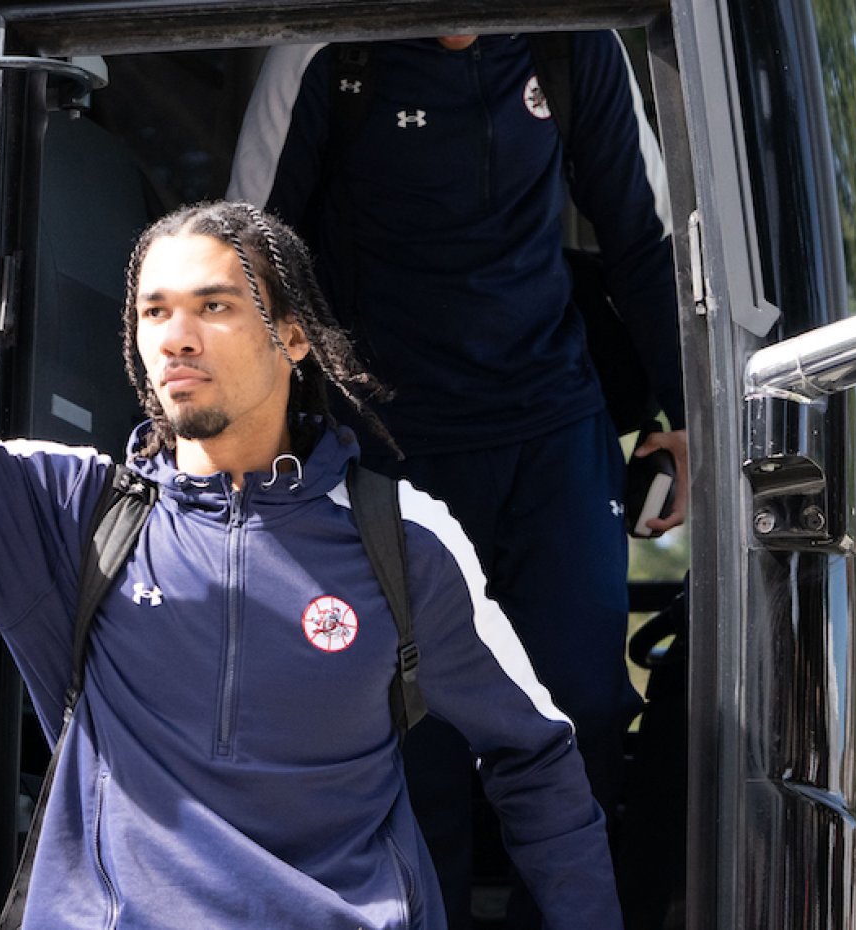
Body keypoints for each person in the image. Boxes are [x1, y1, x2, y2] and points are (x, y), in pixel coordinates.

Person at [0, 15, 620, 928]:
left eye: (214, 306)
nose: (175, 335)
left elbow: (536, 758)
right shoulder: (68, 515)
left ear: (292, 336)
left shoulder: (403, 539)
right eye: (153, 312)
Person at [228, 33, 689, 927]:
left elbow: (647, 243)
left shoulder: (575, 40)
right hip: (389, 444)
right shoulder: (327, 53)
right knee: (416, 735)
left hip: (554, 430)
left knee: (581, 711)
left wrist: (693, 423)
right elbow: (239, 268)